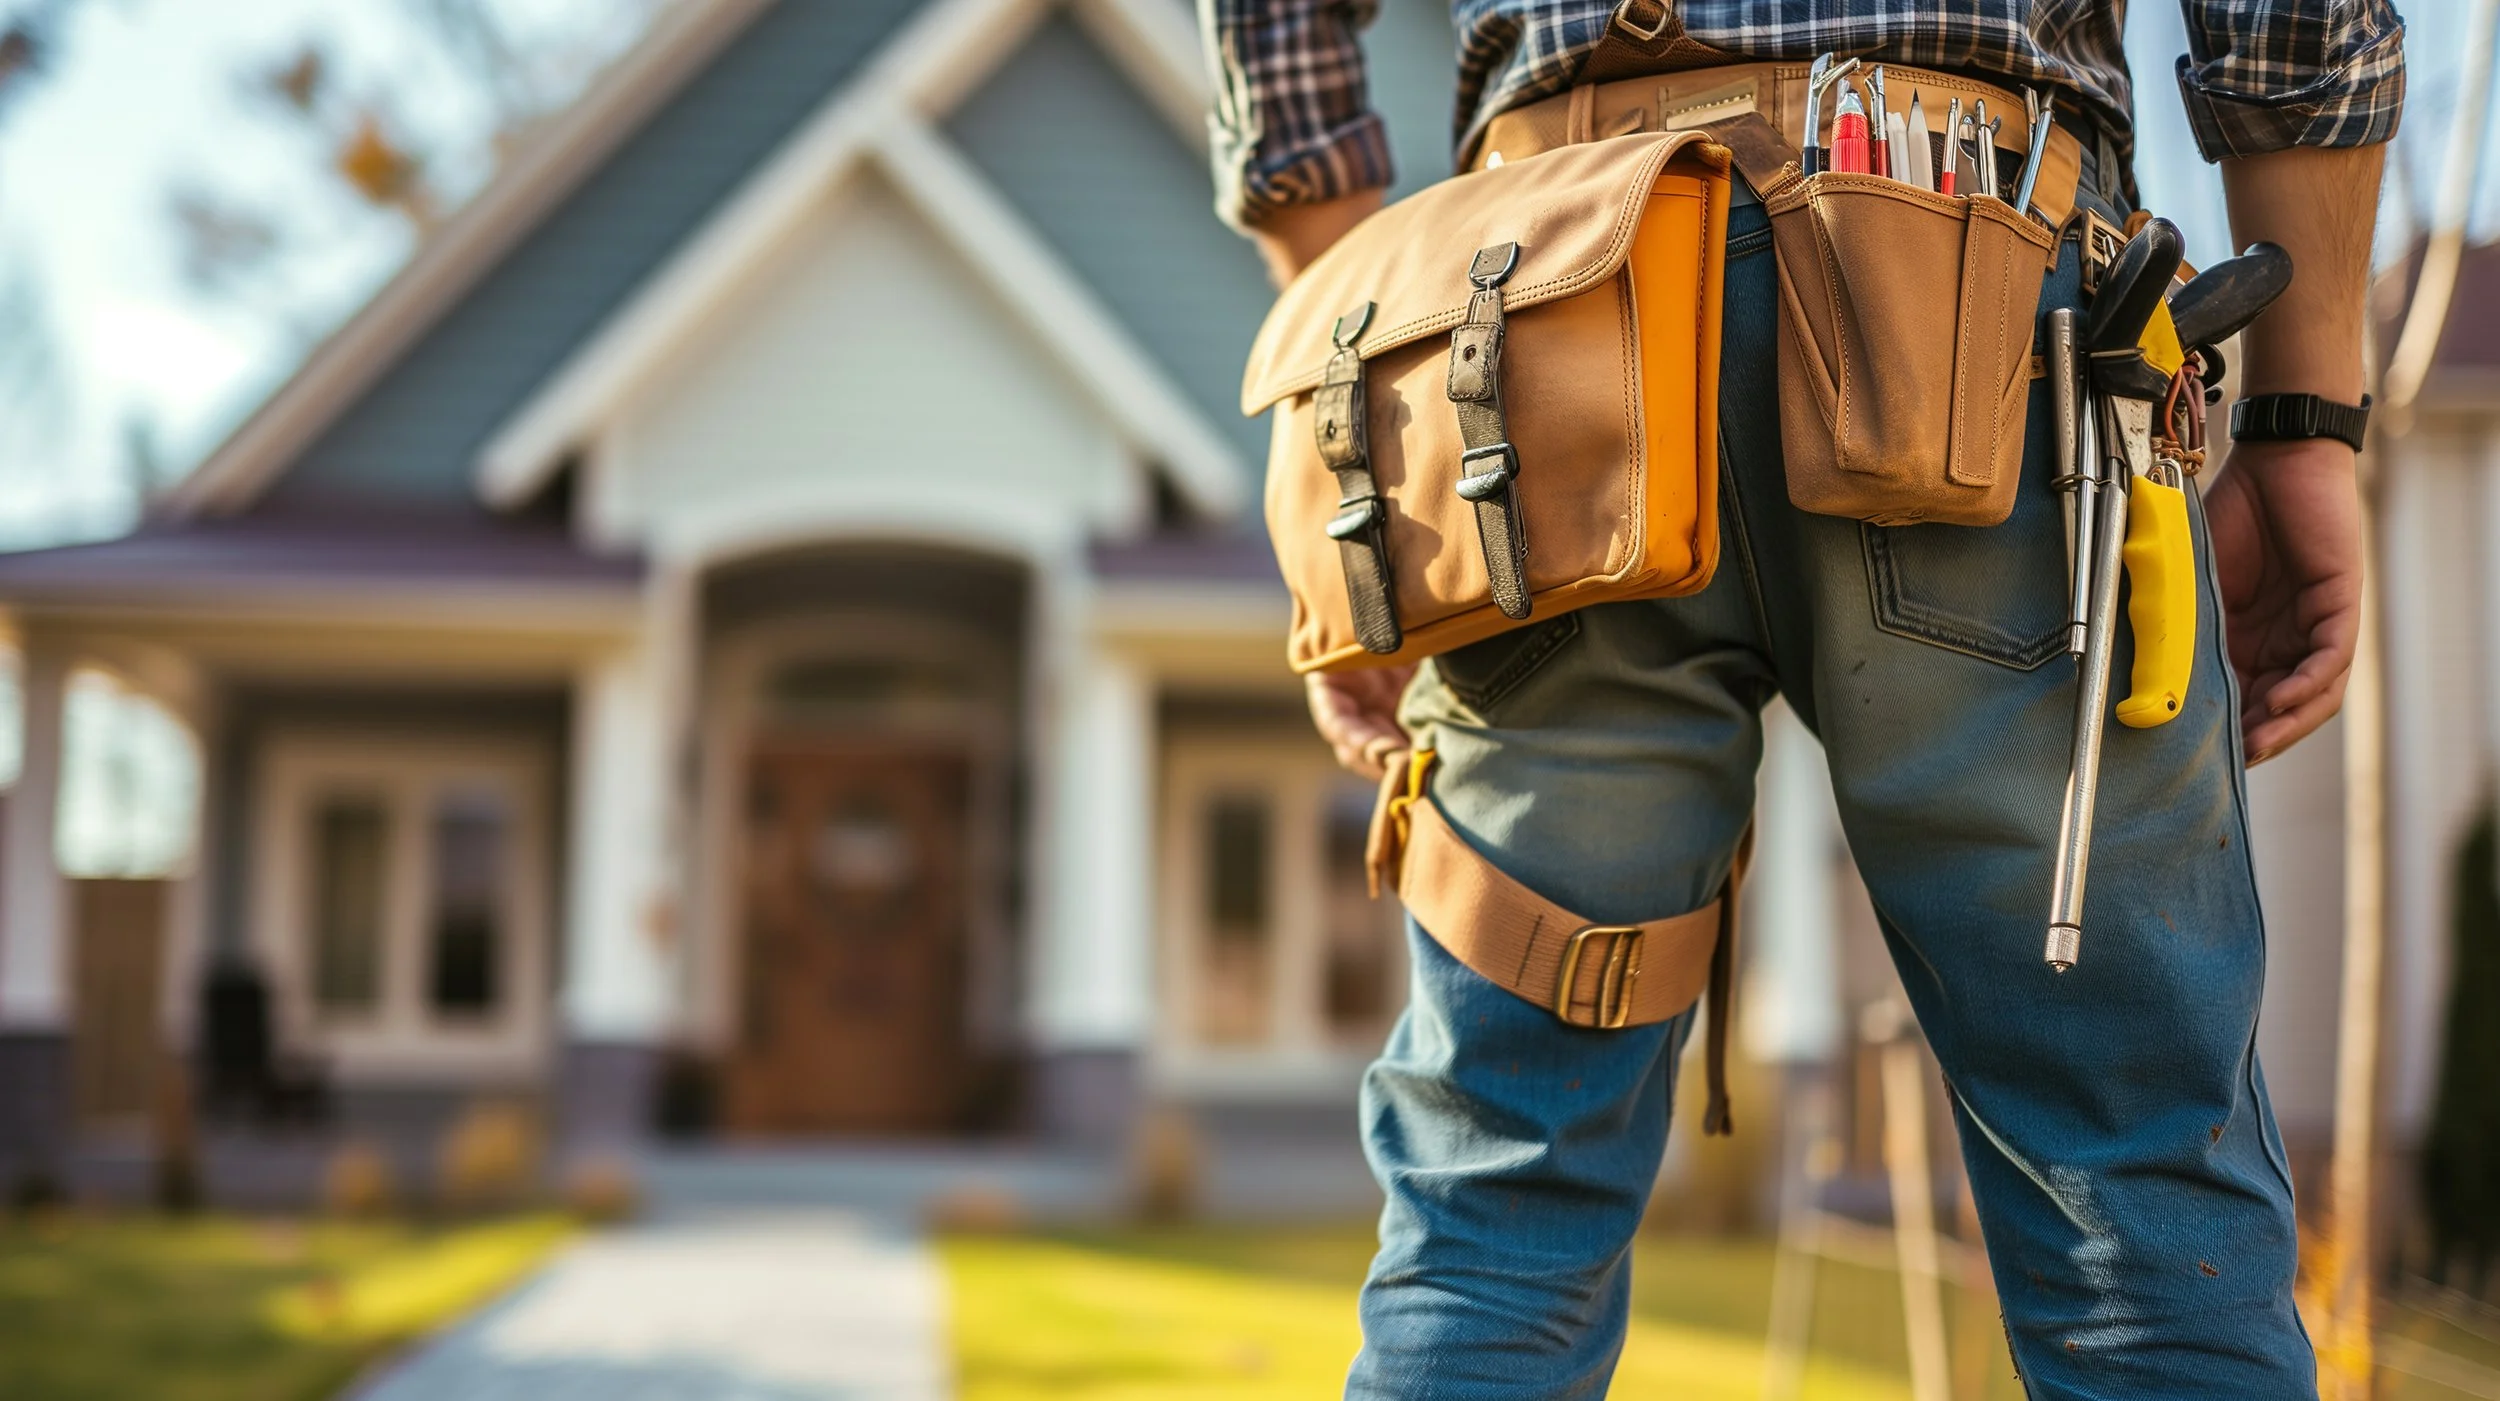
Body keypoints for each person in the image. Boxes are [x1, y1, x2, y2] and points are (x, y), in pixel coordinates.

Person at [1199, 1, 2405, 1395]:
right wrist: (2307, 416)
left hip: (1525, 354)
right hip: (1976, 277)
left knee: (1492, 1221)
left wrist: (1380, 448)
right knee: (2137, 1206)